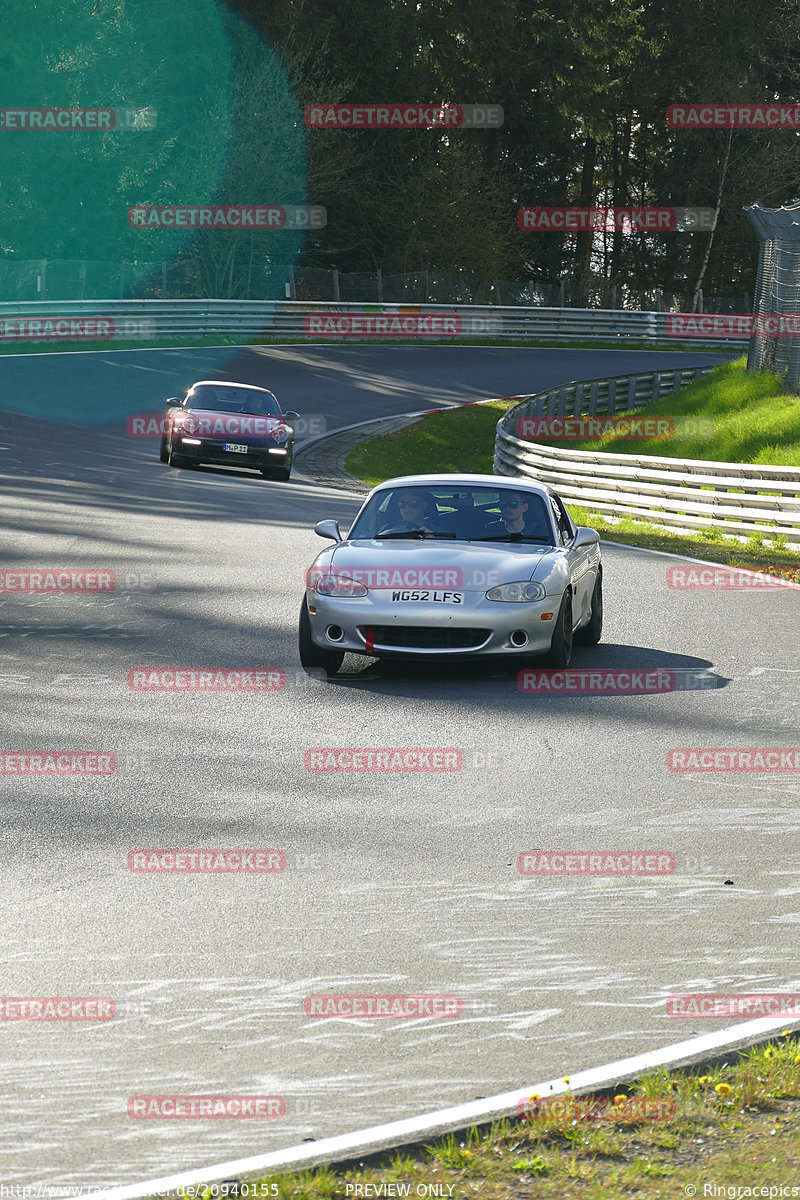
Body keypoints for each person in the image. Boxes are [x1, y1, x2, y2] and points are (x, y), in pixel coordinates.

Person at [480, 492, 549, 540]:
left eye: (513, 504)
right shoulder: (490, 530)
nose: (508, 508)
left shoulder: (539, 532)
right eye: (503, 504)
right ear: (500, 507)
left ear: (525, 507)